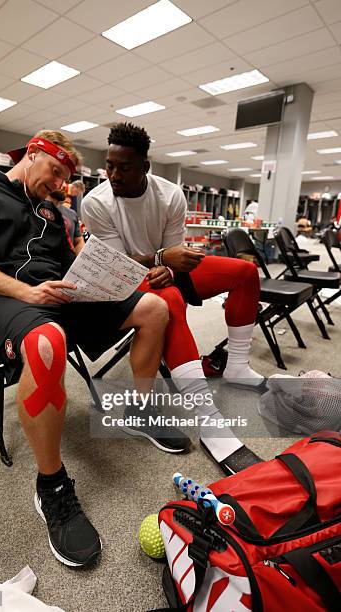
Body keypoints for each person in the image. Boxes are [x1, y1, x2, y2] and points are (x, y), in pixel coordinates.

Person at [0, 129, 188, 568]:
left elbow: (71, 270)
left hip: (58, 297)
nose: (58, 184)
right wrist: (27, 292)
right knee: (49, 340)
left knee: (152, 308)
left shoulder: (55, 215)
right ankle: (51, 486)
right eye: (55, 171)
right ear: (33, 154)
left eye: (64, 178)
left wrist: (102, 276)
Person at [82, 122, 265, 475]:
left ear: (145, 167)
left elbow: (173, 251)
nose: (114, 175)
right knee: (170, 301)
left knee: (245, 273)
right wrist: (161, 260)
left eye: (125, 167)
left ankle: (237, 366)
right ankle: (209, 421)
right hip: (127, 278)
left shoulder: (170, 195)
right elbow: (120, 266)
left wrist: (166, 261)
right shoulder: (96, 203)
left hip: (164, 266)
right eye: (109, 165)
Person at [48, 189, 85, 256]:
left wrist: (79, 263)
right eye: (57, 178)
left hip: (67, 263)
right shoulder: (35, 209)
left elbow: (78, 241)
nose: (64, 184)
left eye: (65, 180)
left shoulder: (72, 213)